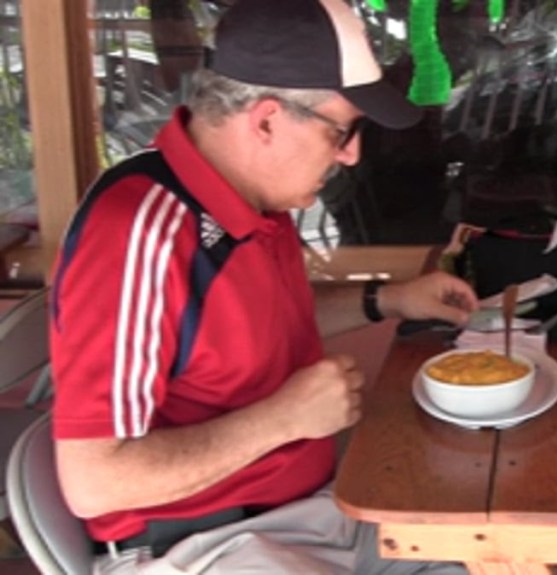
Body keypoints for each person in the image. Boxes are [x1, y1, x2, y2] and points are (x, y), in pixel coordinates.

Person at [48, 0, 478, 573]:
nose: (351, 155)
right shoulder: (137, 232)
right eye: (343, 130)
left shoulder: (254, 204)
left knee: (487, 544)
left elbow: (258, 323)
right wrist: (283, 419)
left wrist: (391, 299)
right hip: (202, 545)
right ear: (267, 120)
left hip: (311, 513)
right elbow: (95, 482)